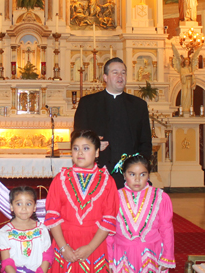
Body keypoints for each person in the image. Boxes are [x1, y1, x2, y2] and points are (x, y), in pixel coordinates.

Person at [44, 130, 119, 273]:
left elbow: (108, 220)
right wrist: (64, 248)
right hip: (64, 242)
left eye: (86, 148)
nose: (80, 153)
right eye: (75, 148)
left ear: (97, 152)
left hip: (94, 244)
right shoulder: (60, 179)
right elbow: (53, 216)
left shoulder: (107, 181)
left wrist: (90, 248)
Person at [74, 57, 152, 188]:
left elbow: (145, 143)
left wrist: (139, 169)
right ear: (105, 77)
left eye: (123, 72)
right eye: (115, 72)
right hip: (96, 173)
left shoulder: (139, 106)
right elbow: (77, 137)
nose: (120, 76)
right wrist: (94, 143)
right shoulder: (88, 103)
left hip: (129, 177)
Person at [107, 154, 175, 273]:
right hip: (122, 255)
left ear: (149, 175)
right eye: (132, 174)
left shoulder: (160, 197)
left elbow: (166, 228)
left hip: (151, 254)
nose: (137, 179)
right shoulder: (115, 197)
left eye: (142, 174)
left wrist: (167, 256)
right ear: (124, 175)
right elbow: (109, 232)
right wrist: (109, 258)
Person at [0, 186, 53, 273]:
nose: (24, 208)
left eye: (28, 204)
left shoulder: (41, 230)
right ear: (11, 207)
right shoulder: (4, 233)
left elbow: (47, 256)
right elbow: (7, 262)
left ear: (35, 207)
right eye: (19, 204)